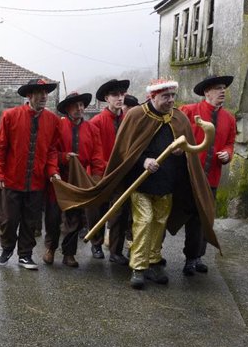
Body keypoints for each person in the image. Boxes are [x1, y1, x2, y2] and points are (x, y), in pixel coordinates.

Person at [52, 79, 219, 290]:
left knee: (159, 223)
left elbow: (189, 150)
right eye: (165, 96)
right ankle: (138, 267)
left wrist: (181, 151)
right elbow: (125, 152)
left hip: (167, 184)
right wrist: (143, 161)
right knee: (144, 221)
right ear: (153, 96)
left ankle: (154, 262)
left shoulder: (179, 117)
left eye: (172, 96)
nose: (170, 100)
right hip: (141, 184)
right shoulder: (137, 115)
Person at [0, 78, 61, 269]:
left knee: (31, 221)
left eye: (46, 93)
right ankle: (6, 250)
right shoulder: (10, 116)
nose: (45, 97)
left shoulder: (53, 120)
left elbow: (52, 150)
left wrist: (52, 171)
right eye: (40, 93)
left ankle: (25, 255)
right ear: (29, 95)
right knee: (9, 219)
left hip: (37, 181)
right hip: (11, 179)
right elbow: (0, 147)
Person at [178, 75, 237, 275]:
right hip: (189, 177)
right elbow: (176, 135)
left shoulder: (229, 118)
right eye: (218, 88)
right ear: (206, 92)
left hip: (211, 177)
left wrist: (227, 154)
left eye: (224, 88)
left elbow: (230, 143)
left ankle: (196, 257)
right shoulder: (189, 111)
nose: (222, 91)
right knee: (186, 216)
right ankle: (167, 256)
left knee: (205, 219)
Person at [43, 91, 105, 268]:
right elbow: (52, 150)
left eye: (81, 105)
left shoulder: (92, 130)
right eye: (75, 105)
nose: (79, 108)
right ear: (67, 109)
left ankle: (69, 253)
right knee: (53, 216)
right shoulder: (58, 126)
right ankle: (50, 248)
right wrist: (63, 158)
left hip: (79, 178)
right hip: (58, 177)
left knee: (74, 216)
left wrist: (96, 178)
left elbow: (97, 157)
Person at [88, 79, 130, 263]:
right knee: (98, 210)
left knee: (119, 213)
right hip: (101, 174)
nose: (120, 98)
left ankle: (115, 251)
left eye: (122, 94)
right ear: (107, 98)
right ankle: (96, 244)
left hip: (122, 174)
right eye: (115, 95)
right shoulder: (97, 121)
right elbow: (94, 150)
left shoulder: (129, 119)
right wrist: (103, 169)